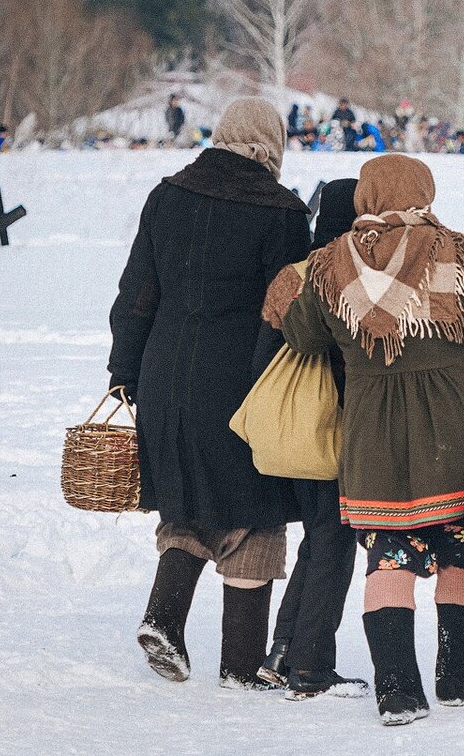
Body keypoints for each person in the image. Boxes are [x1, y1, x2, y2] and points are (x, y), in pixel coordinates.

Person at [281, 153, 464, 725]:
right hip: (459, 423)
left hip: (375, 432)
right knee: (460, 545)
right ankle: (457, 675)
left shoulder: (329, 266)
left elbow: (301, 335)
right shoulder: (456, 250)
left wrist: (293, 285)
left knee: (389, 557)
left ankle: (397, 689)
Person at [107, 97, 313, 689]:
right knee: (251, 515)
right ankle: (241, 667)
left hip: (165, 377)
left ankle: (165, 619)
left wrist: (124, 372)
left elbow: (135, 295)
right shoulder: (282, 211)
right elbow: (281, 313)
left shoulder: (166, 196)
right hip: (242, 382)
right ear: (270, 144)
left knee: (187, 499)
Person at [255, 178, 368, 701]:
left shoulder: (290, 275)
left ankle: (282, 652)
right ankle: (311, 666)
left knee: (317, 539)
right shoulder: (349, 277)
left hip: (290, 431)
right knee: (335, 541)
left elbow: (263, 356)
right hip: (332, 431)